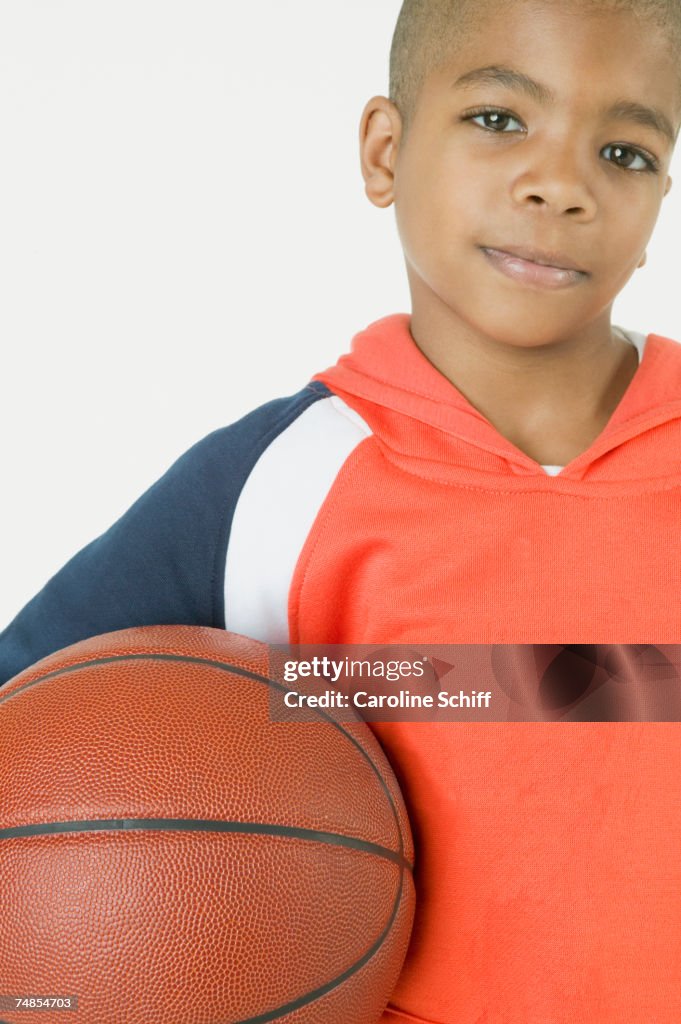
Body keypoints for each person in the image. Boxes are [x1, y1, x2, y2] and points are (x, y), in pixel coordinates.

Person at [2, 0, 681, 1020]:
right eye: (500, 119)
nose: (562, 185)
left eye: (625, 151)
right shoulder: (279, 483)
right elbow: (35, 727)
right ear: (384, 151)